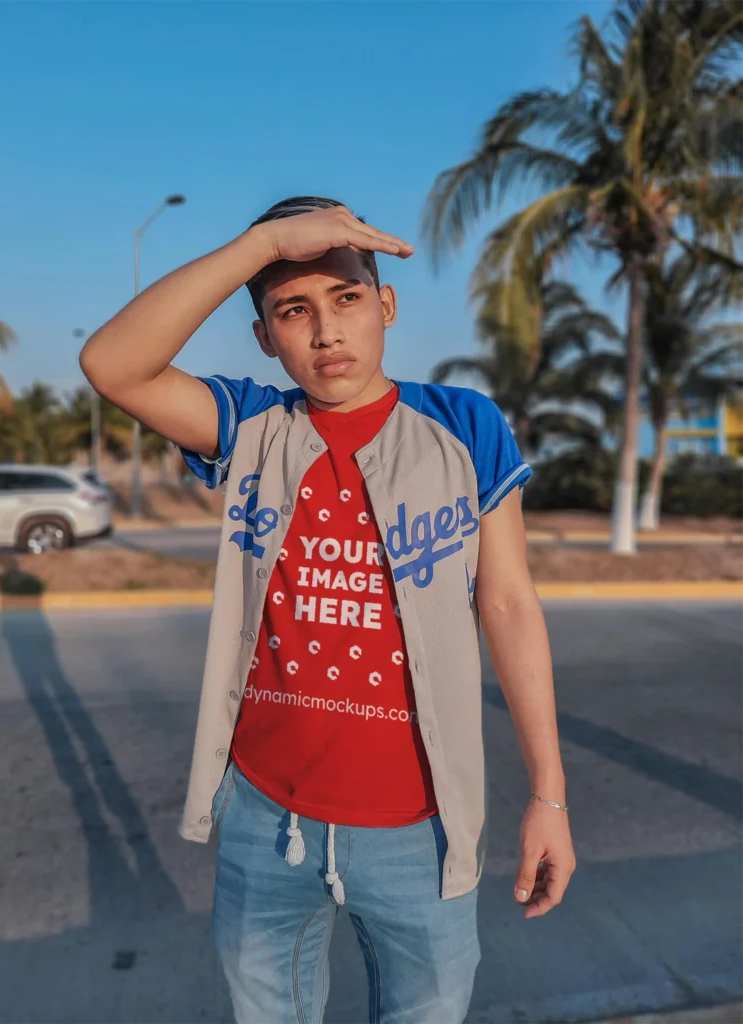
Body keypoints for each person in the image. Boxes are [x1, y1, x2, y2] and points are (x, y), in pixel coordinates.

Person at [80, 196, 576, 1024]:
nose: (325, 332)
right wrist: (264, 244)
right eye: (292, 310)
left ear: (385, 306)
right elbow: (113, 365)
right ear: (266, 336)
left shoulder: (464, 426)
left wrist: (549, 796)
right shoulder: (250, 427)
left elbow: (510, 603)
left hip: (421, 830)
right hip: (266, 819)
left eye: (346, 299)